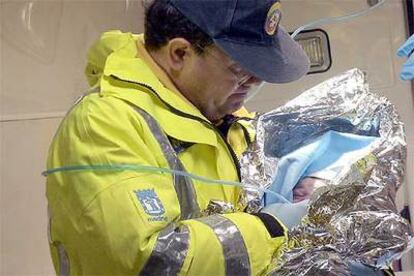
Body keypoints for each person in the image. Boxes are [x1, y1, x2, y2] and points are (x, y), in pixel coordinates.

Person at [45, 0, 310, 274]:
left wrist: (298, 182)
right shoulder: (103, 124)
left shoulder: (215, 108)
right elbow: (151, 259)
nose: (255, 82)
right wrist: (269, 229)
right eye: (241, 70)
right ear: (180, 53)